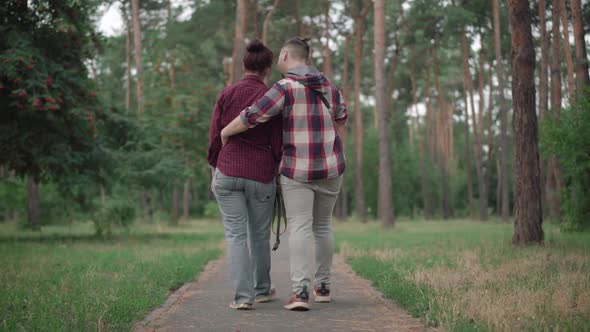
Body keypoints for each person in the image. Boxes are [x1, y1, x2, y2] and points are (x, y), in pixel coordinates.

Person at [221, 37, 347, 311]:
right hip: (331, 167)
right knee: (323, 226)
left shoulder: (284, 88)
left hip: (297, 169)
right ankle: (323, 287)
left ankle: (300, 292)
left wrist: (225, 132)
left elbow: (253, 115)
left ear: (288, 55)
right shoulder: (330, 87)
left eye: (280, 56)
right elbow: (341, 120)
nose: (277, 60)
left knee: (300, 226)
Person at [207, 39, 282, 310]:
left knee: (236, 236)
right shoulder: (272, 96)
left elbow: (216, 136)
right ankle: (262, 290)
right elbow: (278, 141)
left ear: (243, 65)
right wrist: (276, 171)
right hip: (261, 173)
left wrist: (215, 170)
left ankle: (242, 298)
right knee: (259, 235)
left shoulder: (226, 94)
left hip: (228, 170)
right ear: (268, 69)